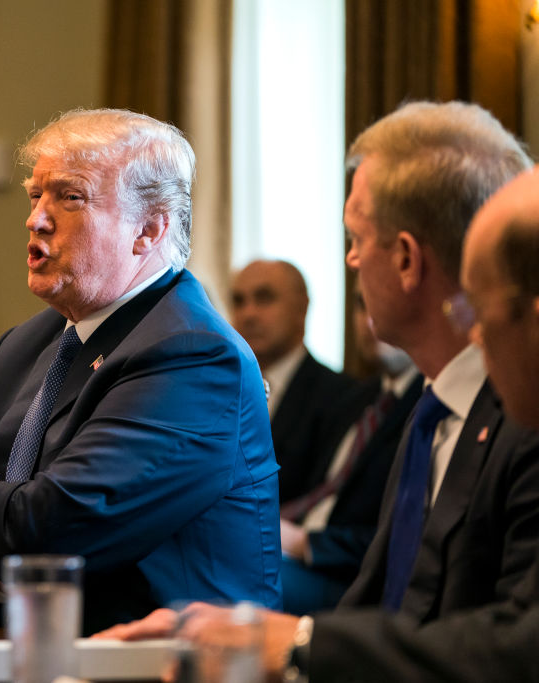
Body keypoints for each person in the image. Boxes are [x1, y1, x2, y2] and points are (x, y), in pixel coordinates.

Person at [95, 103, 539, 682]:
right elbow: (381, 616)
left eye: (356, 238)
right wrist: (247, 638)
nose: (350, 259)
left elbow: (517, 650)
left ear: (406, 257)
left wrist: (293, 643)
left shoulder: (521, 418)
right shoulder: (430, 415)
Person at [0, 109, 281, 634]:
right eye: (35, 195)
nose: (35, 218)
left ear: (148, 230)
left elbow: (57, 527)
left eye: (70, 196)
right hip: (25, 647)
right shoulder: (26, 343)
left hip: (160, 663)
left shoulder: (192, 354)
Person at [278, 290, 422, 614]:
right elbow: (310, 490)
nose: (370, 321)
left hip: (352, 580)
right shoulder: (354, 399)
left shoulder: (427, 408)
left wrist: (304, 543)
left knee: (235, 583)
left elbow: (406, 538)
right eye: (361, 305)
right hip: (298, 555)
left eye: (383, 303)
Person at [230, 259, 356, 502]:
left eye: (264, 298)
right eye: (238, 301)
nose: (248, 314)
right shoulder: (219, 391)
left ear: (302, 307)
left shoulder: (342, 398)